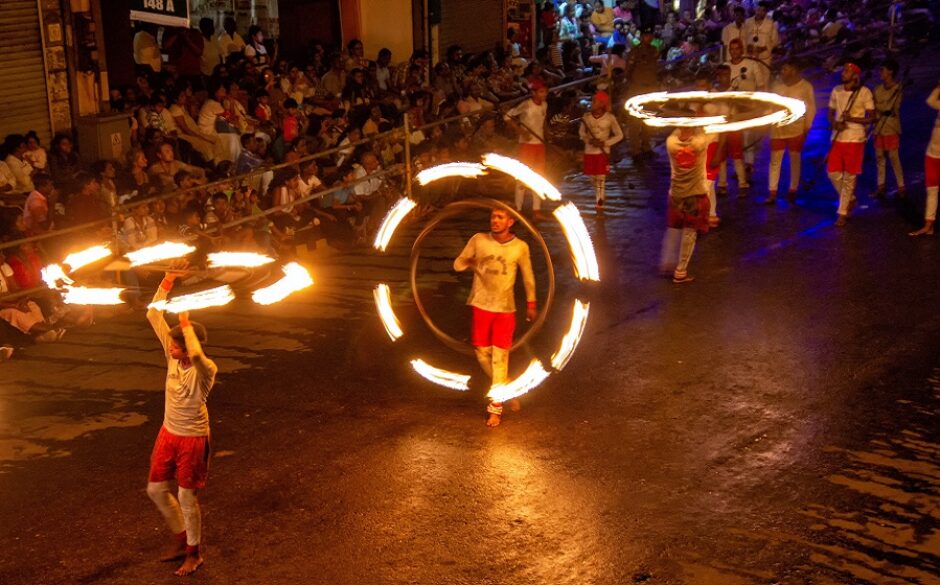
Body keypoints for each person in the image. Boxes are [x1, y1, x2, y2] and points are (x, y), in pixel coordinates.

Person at [145, 268, 217, 577]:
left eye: (176, 345)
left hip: (193, 438)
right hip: (168, 432)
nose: (171, 349)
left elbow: (198, 355)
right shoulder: (173, 355)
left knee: (187, 497)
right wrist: (167, 281)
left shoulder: (205, 369)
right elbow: (152, 314)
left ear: (188, 345)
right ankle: (180, 540)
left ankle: (194, 553)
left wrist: (186, 323)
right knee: (156, 490)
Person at [453, 207, 537, 427]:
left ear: (511, 222)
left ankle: (495, 409)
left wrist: (531, 303)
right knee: (482, 355)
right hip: (480, 305)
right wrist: (471, 262)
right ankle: (507, 387)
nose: (495, 221)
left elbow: (528, 276)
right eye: (493, 217)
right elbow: (457, 264)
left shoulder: (520, 247)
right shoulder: (479, 240)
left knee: (500, 359)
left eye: (500, 217)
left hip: (505, 309)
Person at [661, 125, 710, 284]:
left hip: (676, 194)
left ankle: (668, 263)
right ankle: (680, 270)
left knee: (674, 228)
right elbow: (705, 130)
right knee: (689, 233)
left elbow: (676, 132)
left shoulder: (671, 143)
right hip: (694, 196)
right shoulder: (700, 143)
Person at [828, 62, 874, 227]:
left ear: (855, 76)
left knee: (849, 177)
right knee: (832, 172)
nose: (844, 73)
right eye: (844, 70)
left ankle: (842, 212)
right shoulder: (836, 90)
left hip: (855, 138)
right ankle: (850, 199)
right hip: (838, 137)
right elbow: (831, 112)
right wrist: (835, 123)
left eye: (848, 71)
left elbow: (871, 117)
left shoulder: (864, 92)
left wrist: (852, 119)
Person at [768, 60, 816, 204]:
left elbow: (811, 108)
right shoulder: (777, 87)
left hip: (796, 129)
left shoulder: (805, 87)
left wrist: (807, 127)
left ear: (793, 70)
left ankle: (793, 189)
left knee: (795, 159)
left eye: (785, 69)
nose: (782, 72)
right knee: (775, 161)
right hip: (778, 129)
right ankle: (772, 191)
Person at [504, 79, 550, 220]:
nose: (544, 95)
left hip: (539, 144)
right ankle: (518, 209)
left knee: (539, 176)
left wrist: (547, 135)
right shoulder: (526, 105)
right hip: (526, 145)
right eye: (541, 92)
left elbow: (543, 122)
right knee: (522, 177)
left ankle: (536, 210)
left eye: (545, 92)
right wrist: (521, 131)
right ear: (534, 93)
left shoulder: (545, 105)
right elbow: (507, 116)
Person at [579, 91, 624, 209]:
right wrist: (588, 140)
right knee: (592, 178)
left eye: (594, 101)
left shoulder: (610, 118)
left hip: (603, 152)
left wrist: (605, 143)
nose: (592, 103)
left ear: (601, 104)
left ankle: (600, 201)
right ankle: (599, 195)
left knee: (601, 177)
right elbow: (581, 132)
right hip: (589, 151)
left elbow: (619, 135)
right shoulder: (586, 117)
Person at [623, 26, 660, 161]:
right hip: (636, 87)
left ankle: (646, 146)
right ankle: (635, 150)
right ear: (641, 36)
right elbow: (628, 70)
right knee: (634, 121)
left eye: (650, 35)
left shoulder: (654, 51)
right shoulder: (634, 52)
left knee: (648, 119)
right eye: (646, 35)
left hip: (650, 88)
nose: (648, 38)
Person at [910, 81, 940, 236]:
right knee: (932, 190)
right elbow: (931, 101)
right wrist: (937, 88)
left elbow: (931, 101)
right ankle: (929, 224)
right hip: (932, 153)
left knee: (933, 190)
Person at [872, 61, 905, 199]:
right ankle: (881, 186)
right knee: (879, 157)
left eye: (883, 69)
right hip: (879, 127)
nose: (880, 72)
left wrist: (880, 107)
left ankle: (901, 186)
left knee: (893, 157)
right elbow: (875, 107)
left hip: (891, 127)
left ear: (890, 72)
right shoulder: (877, 89)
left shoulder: (897, 89)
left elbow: (892, 108)